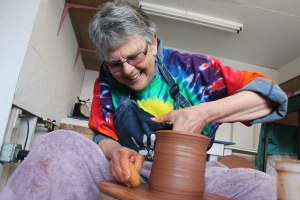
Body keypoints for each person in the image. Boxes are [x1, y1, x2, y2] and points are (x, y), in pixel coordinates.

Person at [0, 1, 287, 199]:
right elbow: (102, 136)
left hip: (195, 173)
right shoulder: (107, 81)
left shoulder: (198, 69)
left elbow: (272, 98)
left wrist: (205, 113)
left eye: (135, 56)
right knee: (58, 144)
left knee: (266, 188)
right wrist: (116, 153)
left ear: (153, 41)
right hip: (128, 170)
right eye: (115, 63)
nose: (127, 70)